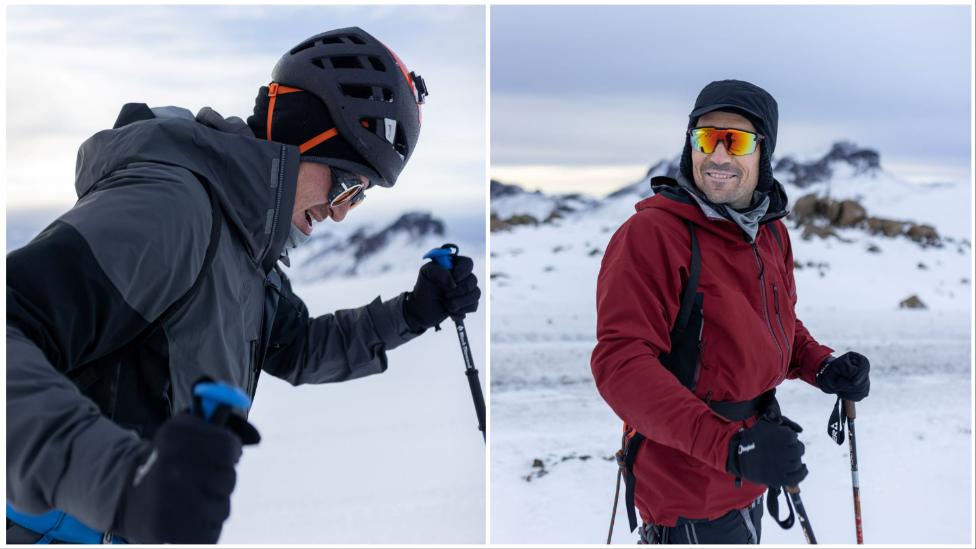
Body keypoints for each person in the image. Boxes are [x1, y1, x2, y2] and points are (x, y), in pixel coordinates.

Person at [6, 27, 480, 544]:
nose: (341, 214)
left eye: (359, 198)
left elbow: (296, 347)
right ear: (301, 141)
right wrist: (123, 485)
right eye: (346, 184)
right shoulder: (174, 211)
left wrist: (411, 313)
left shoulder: (243, 245)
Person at [591, 79, 870, 544]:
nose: (717, 156)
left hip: (750, 468)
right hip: (688, 493)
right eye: (706, 138)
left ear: (763, 152)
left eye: (735, 141)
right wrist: (730, 448)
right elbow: (621, 364)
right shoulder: (653, 235)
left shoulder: (769, 233)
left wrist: (821, 366)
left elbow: (775, 324)